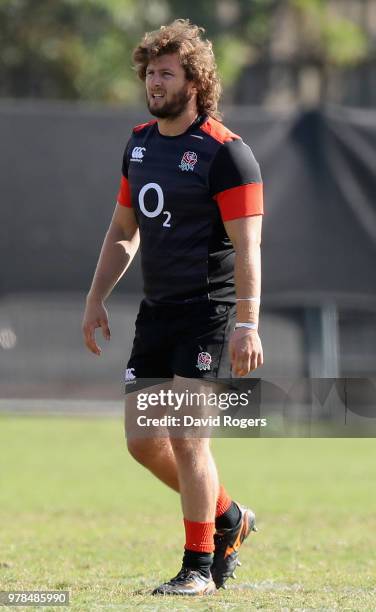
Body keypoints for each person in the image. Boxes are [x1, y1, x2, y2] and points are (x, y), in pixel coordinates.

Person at [82, 19, 263, 596]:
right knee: (142, 442)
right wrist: (95, 299)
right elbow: (122, 230)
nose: (154, 83)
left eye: (166, 73)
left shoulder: (228, 154)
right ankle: (230, 517)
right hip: (157, 311)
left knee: (188, 436)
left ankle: (199, 566)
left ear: (195, 81)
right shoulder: (138, 143)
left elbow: (248, 247)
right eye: (149, 73)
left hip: (207, 312)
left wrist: (247, 322)